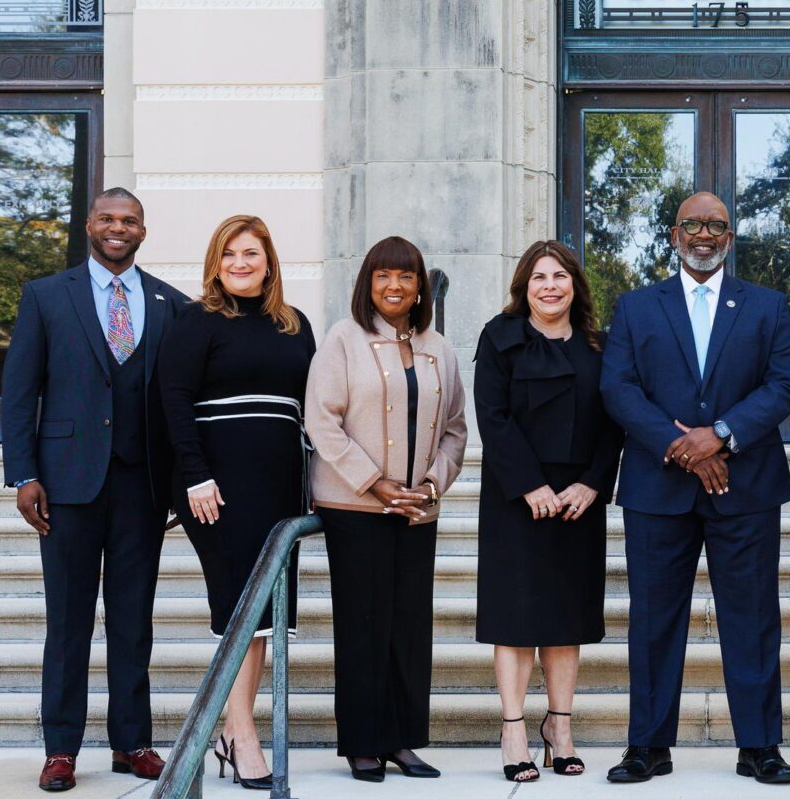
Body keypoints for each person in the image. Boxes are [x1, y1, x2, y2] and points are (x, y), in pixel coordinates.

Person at [599, 191, 790, 786]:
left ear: (730, 238)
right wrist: (679, 444)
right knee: (654, 619)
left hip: (747, 486)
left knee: (753, 617)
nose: (704, 235)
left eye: (716, 225)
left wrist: (720, 436)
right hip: (657, 487)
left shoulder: (767, 306)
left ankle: (760, 746)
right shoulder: (636, 306)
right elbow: (618, 388)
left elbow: (783, 384)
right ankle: (648, 745)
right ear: (674, 235)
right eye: (693, 224)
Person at [1, 187, 187, 792]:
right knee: (68, 621)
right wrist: (23, 473)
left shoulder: (170, 304)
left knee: (133, 621)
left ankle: (132, 742)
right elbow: (19, 391)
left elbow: (180, 403)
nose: (117, 228)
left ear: (143, 231)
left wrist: (182, 481)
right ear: (88, 225)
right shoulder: (46, 296)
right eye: (107, 218)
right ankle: (60, 749)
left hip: (142, 485)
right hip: (66, 483)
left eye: (128, 220)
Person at [159, 215, 316, 789]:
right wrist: (195, 475)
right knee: (238, 606)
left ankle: (235, 727)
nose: (240, 263)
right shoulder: (196, 320)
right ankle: (241, 733)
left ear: (269, 262)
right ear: (215, 265)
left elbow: (312, 405)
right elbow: (173, 398)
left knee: (264, 617)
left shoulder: (294, 324)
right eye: (229, 255)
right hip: (216, 485)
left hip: (279, 484)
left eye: (251, 253)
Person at [306, 236, 468, 783]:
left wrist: (431, 485)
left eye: (406, 276)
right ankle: (362, 743)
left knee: (409, 627)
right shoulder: (342, 339)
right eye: (383, 276)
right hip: (355, 505)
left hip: (416, 509)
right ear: (368, 284)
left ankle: (401, 740)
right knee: (363, 625)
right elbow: (321, 420)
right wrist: (374, 484)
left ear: (420, 286)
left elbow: (455, 428)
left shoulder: (438, 347)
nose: (394, 286)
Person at [473, 240, 625, 783]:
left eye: (560, 276)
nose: (550, 286)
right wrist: (529, 485)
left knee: (565, 620)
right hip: (516, 498)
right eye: (539, 277)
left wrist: (593, 484)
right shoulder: (500, 337)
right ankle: (513, 729)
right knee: (514, 618)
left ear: (575, 286)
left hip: (578, 501)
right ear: (525, 286)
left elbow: (615, 422)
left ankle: (559, 728)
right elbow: (491, 416)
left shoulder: (599, 346)